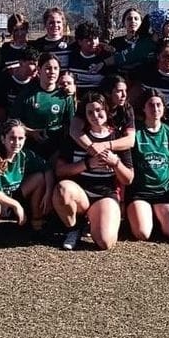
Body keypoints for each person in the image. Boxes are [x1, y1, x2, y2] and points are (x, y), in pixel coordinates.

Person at [53, 92, 134, 250]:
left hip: (105, 194)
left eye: (99, 110)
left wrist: (115, 163)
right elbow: (59, 171)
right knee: (63, 189)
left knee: (105, 243)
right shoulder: (76, 138)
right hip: (80, 193)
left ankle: (93, 222)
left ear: (107, 110)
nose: (95, 115)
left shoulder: (117, 138)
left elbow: (129, 179)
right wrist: (87, 164)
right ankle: (74, 228)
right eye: (90, 112)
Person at [0, 119, 52, 234]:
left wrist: (48, 193)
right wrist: (16, 205)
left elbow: (47, 168)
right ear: (3, 139)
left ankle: (36, 223)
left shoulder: (25, 155)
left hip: (10, 196)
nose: (17, 142)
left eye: (20, 138)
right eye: (12, 138)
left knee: (39, 177)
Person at [128, 90, 169, 242]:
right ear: (143, 108)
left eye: (159, 104)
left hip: (163, 192)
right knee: (143, 234)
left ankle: (157, 216)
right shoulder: (136, 134)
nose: (155, 108)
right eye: (151, 105)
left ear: (164, 108)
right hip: (140, 192)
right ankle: (138, 214)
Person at [10, 52, 75, 160]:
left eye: (56, 68)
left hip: (56, 151)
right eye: (48, 68)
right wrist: (31, 132)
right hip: (30, 150)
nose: (52, 72)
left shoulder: (65, 97)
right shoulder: (27, 94)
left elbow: (71, 126)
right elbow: (12, 122)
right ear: (39, 70)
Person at [0, 47, 39, 122]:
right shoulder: (5, 77)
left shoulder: (37, 80)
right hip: (10, 121)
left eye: (38, 64)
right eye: (32, 64)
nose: (36, 68)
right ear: (21, 63)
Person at [65, 20, 107, 92]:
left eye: (95, 38)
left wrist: (78, 77)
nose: (93, 42)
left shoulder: (104, 58)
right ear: (79, 42)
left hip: (97, 99)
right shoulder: (72, 56)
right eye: (89, 40)